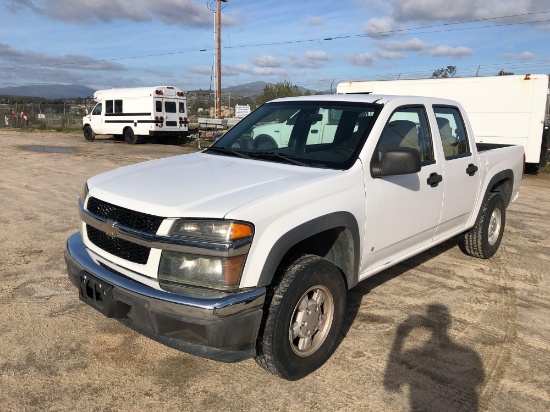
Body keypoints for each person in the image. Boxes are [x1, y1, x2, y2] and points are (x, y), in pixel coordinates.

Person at [384, 304, 484, 411]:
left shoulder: (414, 356)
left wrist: (400, 337)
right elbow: (477, 381)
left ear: (425, 325)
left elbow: (391, 384)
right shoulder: (468, 354)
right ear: (449, 322)